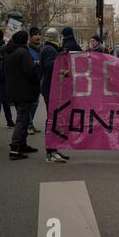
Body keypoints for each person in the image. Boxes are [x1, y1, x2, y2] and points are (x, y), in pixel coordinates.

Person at [4, 31, 40, 161]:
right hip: (24, 91)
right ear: (25, 41)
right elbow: (30, 72)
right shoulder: (23, 53)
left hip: (14, 90)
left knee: (23, 119)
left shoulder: (9, 52)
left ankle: (22, 145)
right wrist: (37, 77)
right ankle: (15, 148)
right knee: (22, 120)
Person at [40, 28, 69, 163]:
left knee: (55, 120)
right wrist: (61, 58)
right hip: (51, 90)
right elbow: (50, 66)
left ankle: (54, 149)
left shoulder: (49, 49)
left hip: (51, 89)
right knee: (53, 120)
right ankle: (50, 151)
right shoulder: (50, 50)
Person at [0, 29, 15, 128]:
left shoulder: (0, 48)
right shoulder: (3, 46)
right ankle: (8, 121)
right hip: (3, 76)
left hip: (0, 77)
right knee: (3, 101)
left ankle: (1, 122)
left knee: (1, 101)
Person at [28, 27, 42, 135]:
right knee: (31, 103)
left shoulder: (41, 49)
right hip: (29, 81)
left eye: (39, 34)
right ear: (30, 37)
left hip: (38, 80)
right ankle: (28, 125)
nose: (38, 37)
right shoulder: (27, 49)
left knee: (35, 103)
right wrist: (36, 63)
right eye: (35, 35)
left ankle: (30, 123)